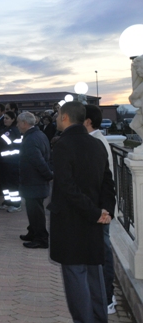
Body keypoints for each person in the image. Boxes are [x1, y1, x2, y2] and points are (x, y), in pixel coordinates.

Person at [49, 101, 115, 323]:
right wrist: (105, 211)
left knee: (76, 275)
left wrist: (95, 212)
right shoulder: (97, 144)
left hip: (72, 222)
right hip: (94, 220)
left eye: (58, 114)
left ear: (65, 117)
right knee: (94, 273)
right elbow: (108, 183)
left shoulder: (63, 145)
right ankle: (99, 318)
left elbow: (66, 187)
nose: (56, 118)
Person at [84, 104, 117, 315]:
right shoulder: (95, 140)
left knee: (103, 251)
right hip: (99, 205)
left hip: (101, 207)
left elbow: (102, 179)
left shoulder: (96, 141)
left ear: (88, 121)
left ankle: (108, 297)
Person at [16, 112, 53, 249]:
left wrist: (49, 175)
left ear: (24, 123)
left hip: (34, 181)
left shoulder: (31, 139)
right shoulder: (39, 134)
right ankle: (33, 232)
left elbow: (38, 161)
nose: (17, 125)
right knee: (33, 210)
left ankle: (41, 238)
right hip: (35, 181)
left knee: (36, 211)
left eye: (18, 122)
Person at [0, 111, 22, 212]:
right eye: (4, 118)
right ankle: (7, 201)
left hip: (12, 162)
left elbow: (8, 143)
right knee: (5, 184)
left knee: (12, 184)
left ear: (13, 119)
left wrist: (1, 136)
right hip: (3, 161)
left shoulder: (15, 131)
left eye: (7, 118)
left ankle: (16, 204)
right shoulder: (4, 130)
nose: (5, 120)